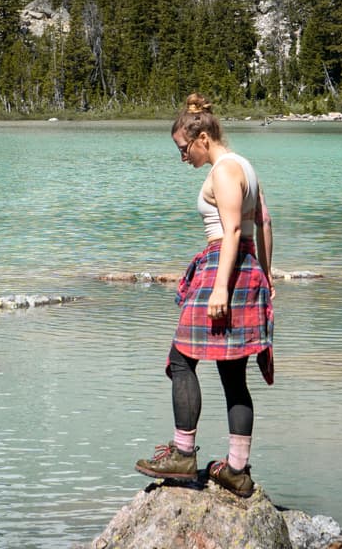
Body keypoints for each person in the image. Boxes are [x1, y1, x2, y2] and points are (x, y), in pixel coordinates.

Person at [135, 93, 274, 498]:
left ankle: (182, 454)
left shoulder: (225, 170)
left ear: (202, 137)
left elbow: (232, 230)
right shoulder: (245, 165)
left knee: (181, 360)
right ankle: (236, 470)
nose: (182, 157)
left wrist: (219, 288)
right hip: (244, 269)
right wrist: (264, 276)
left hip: (224, 267)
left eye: (183, 148)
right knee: (233, 375)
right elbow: (264, 223)